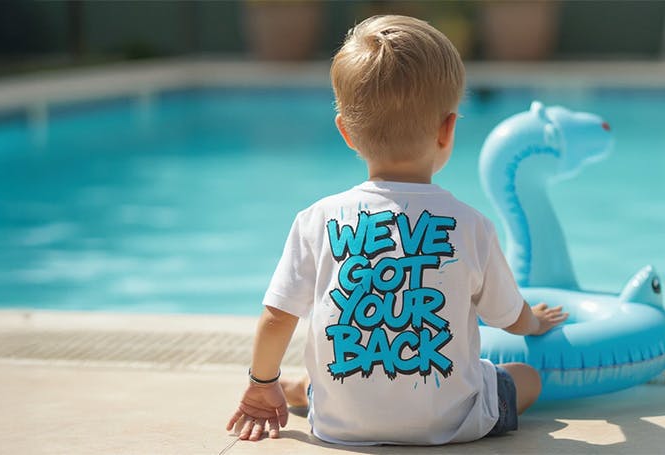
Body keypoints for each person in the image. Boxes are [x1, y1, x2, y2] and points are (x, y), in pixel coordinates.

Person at [224, 15, 568, 446]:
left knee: (325, 383)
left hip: (339, 424)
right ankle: (304, 389)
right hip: (451, 425)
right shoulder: (471, 225)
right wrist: (535, 322)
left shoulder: (317, 219)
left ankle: (296, 388)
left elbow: (277, 317)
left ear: (346, 133)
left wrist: (260, 382)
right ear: (448, 130)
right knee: (525, 378)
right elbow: (509, 317)